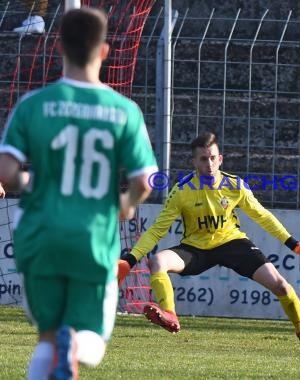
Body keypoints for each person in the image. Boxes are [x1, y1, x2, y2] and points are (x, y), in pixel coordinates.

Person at [0, 7, 157, 379]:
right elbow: (145, 181)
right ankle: (76, 344)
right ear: (104, 51)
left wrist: (32, 183)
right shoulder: (123, 111)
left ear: (58, 47)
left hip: (40, 234)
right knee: (90, 343)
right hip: (93, 236)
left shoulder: (33, 105)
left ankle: (62, 346)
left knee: (47, 336)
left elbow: (6, 173)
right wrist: (126, 204)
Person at [118, 132, 300, 342]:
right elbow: (156, 230)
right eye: (203, 159)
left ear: (220, 159)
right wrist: (129, 260)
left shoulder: (235, 185)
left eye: (212, 158)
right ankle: (170, 314)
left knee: (280, 285)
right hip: (195, 248)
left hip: (232, 243)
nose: (208, 164)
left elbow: (262, 215)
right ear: (194, 161)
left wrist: (294, 244)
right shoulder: (181, 191)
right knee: (158, 261)